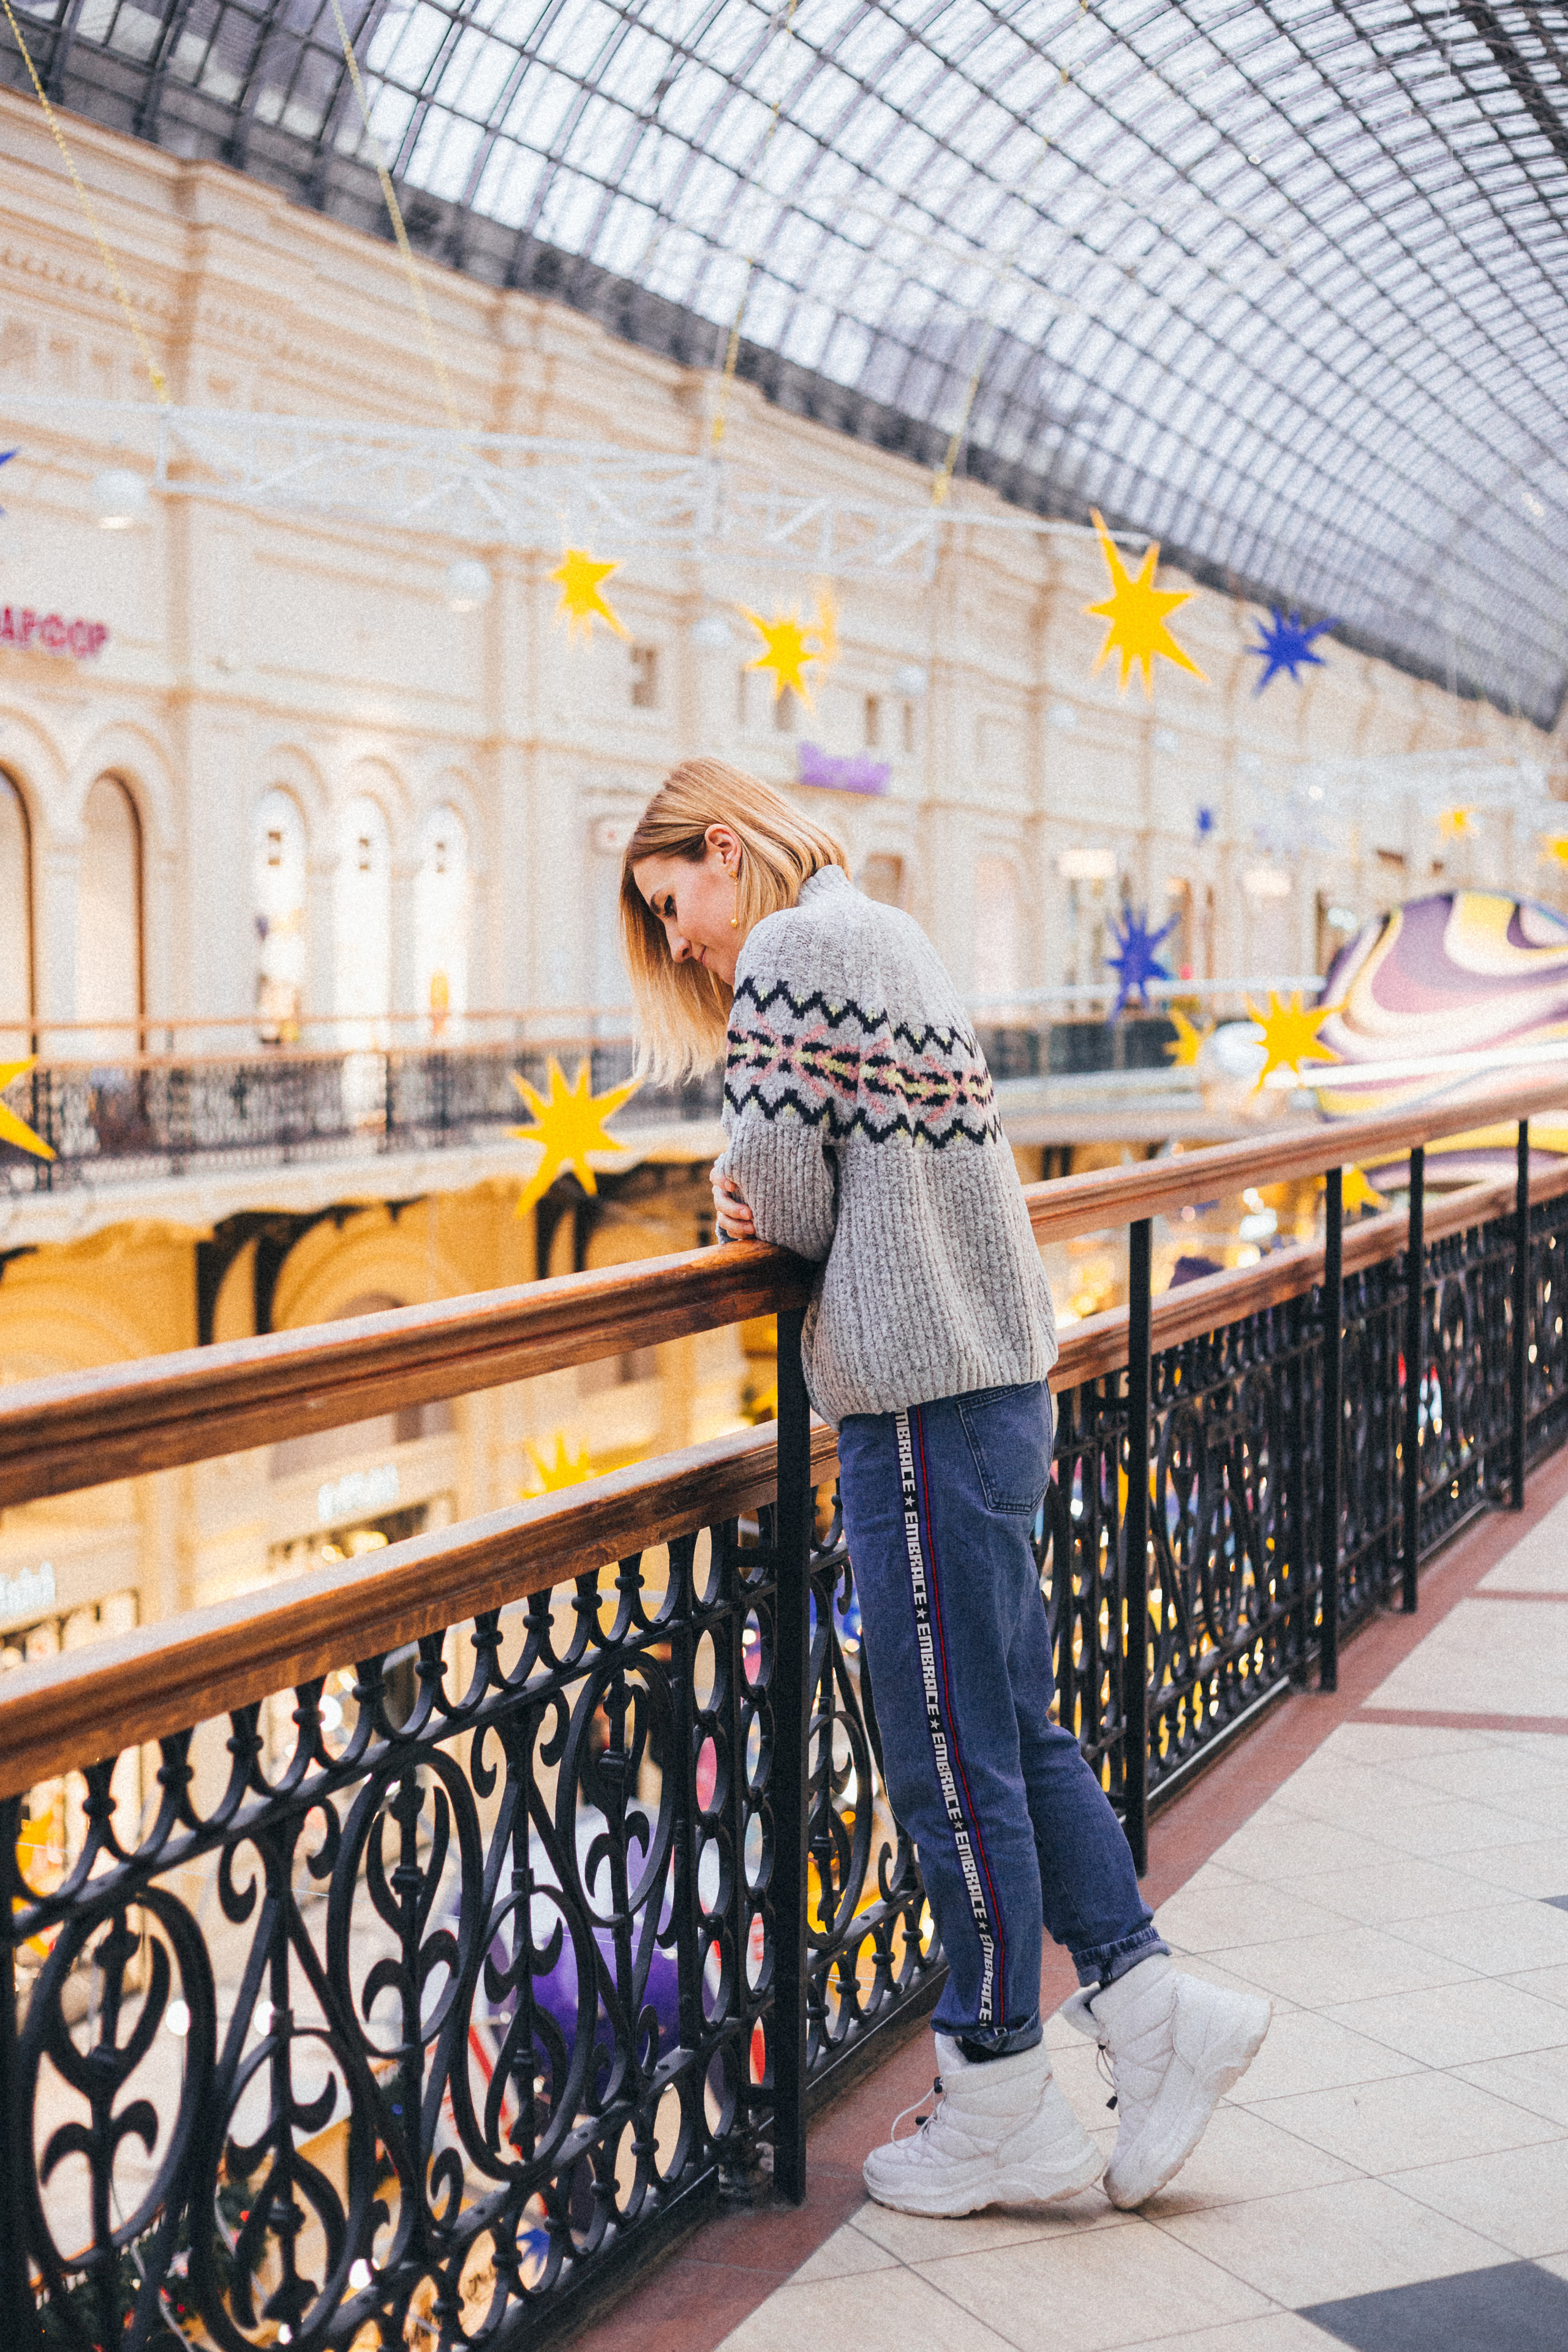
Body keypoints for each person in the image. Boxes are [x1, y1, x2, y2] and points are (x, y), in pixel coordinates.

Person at [620, 758, 1270, 2218]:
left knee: (943, 1766)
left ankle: (996, 2096)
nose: (681, 945)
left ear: (723, 850)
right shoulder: (886, 929)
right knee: (1011, 1734)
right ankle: (1150, 2007)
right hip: (984, 1392)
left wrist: (735, 1187)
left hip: (912, 1400)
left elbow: (783, 1203)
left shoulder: (790, 949)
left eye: (675, 905)